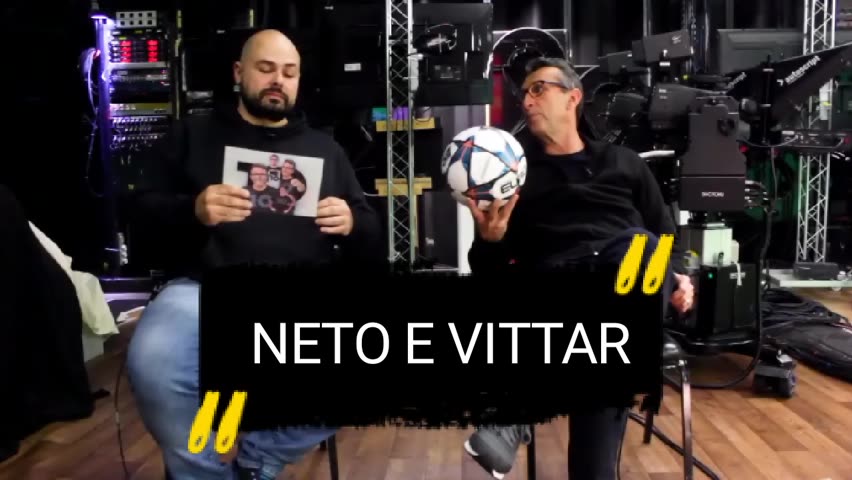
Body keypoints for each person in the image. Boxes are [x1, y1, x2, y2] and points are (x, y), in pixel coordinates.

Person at [125, 29, 381, 480]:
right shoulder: (191, 135)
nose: (278, 80)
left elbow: (372, 237)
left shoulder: (326, 150)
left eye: (289, 72)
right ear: (239, 73)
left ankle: (254, 465)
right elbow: (139, 216)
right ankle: (202, 473)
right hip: (203, 289)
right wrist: (193, 210)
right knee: (155, 359)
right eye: (266, 69)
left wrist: (353, 222)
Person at [460, 57, 695, 480]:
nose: (526, 101)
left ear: (573, 97)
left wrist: (678, 276)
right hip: (559, 292)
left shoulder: (625, 163)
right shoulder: (516, 178)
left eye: (538, 89)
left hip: (629, 278)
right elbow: (491, 277)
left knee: (640, 248)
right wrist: (491, 240)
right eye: (523, 94)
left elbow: (667, 239)